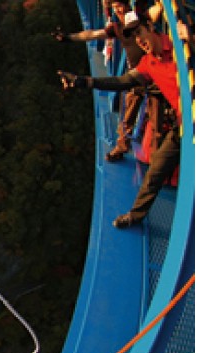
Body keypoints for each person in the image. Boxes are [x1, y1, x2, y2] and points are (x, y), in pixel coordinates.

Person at [57, 11, 187, 228]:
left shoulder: (177, 45)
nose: (139, 40)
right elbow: (122, 81)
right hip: (183, 125)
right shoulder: (148, 63)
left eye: (140, 32)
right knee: (156, 170)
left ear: (151, 27)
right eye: (134, 37)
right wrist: (84, 82)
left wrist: (190, 38)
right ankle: (135, 216)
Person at [52, 0, 164, 162]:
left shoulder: (139, 19)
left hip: (153, 76)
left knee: (156, 121)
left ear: (128, 6)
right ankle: (121, 147)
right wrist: (69, 38)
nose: (118, 10)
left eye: (120, 6)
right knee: (127, 117)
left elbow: (155, 11)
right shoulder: (117, 28)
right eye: (114, 7)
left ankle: (155, 159)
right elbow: (93, 34)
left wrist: (161, 6)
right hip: (136, 76)